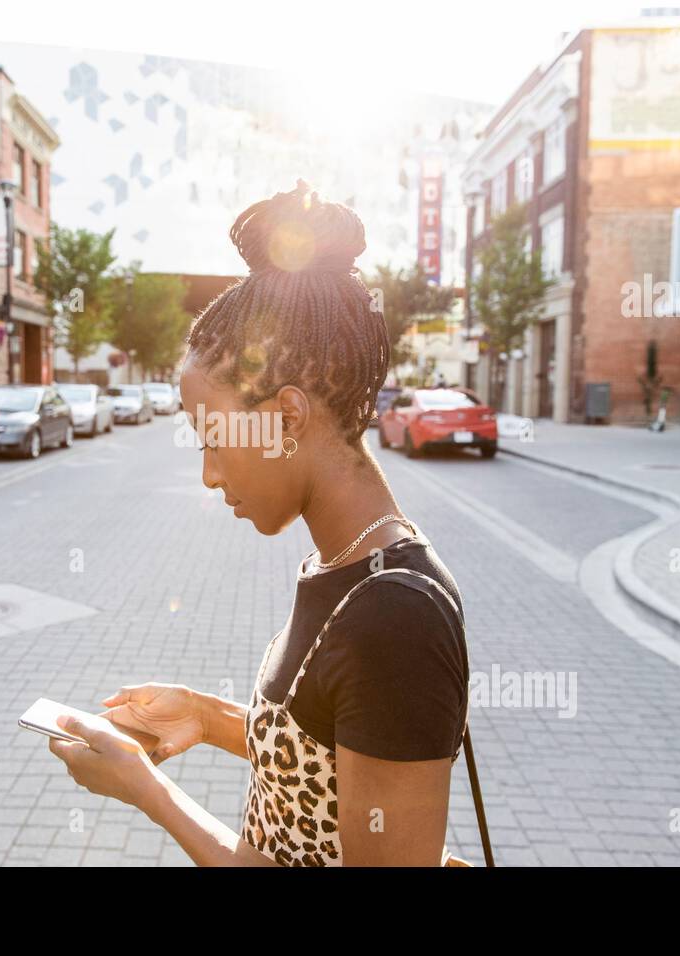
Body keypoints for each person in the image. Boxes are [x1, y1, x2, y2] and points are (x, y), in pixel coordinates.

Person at [46, 181, 470, 866]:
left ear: (288, 416)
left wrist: (146, 791)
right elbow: (332, 757)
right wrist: (205, 718)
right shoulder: (345, 569)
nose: (210, 474)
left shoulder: (395, 616)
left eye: (212, 436)